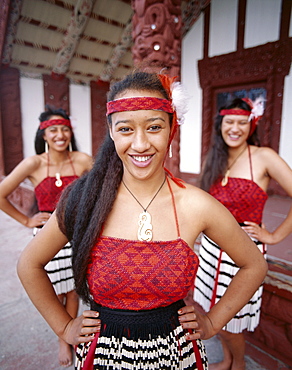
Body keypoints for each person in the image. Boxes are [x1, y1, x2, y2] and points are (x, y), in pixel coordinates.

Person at [17, 72, 267, 370]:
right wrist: (64, 327)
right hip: (103, 354)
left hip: (177, 353)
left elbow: (254, 265)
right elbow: (29, 265)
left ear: (171, 128)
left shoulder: (197, 204)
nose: (140, 144)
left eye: (154, 127)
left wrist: (212, 322)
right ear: (111, 131)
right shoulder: (85, 198)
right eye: (125, 129)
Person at [194, 97, 292, 370]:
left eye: (242, 122)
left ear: (252, 125)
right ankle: (227, 361)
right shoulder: (216, 158)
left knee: (228, 321)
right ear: (220, 125)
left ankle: (238, 366)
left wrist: (273, 236)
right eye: (229, 122)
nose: (235, 128)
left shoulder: (264, 157)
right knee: (215, 314)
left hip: (242, 257)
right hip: (211, 251)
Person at [0, 106, 92, 367]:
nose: (60, 134)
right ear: (44, 135)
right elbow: (1, 194)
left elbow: (104, 185)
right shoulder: (34, 163)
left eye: (64, 129)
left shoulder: (83, 160)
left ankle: (67, 337)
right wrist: (27, 220)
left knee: (74, 290)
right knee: (56, 291)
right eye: (53, 130)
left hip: (78, 234)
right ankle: (63, 335)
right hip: (47, 237)